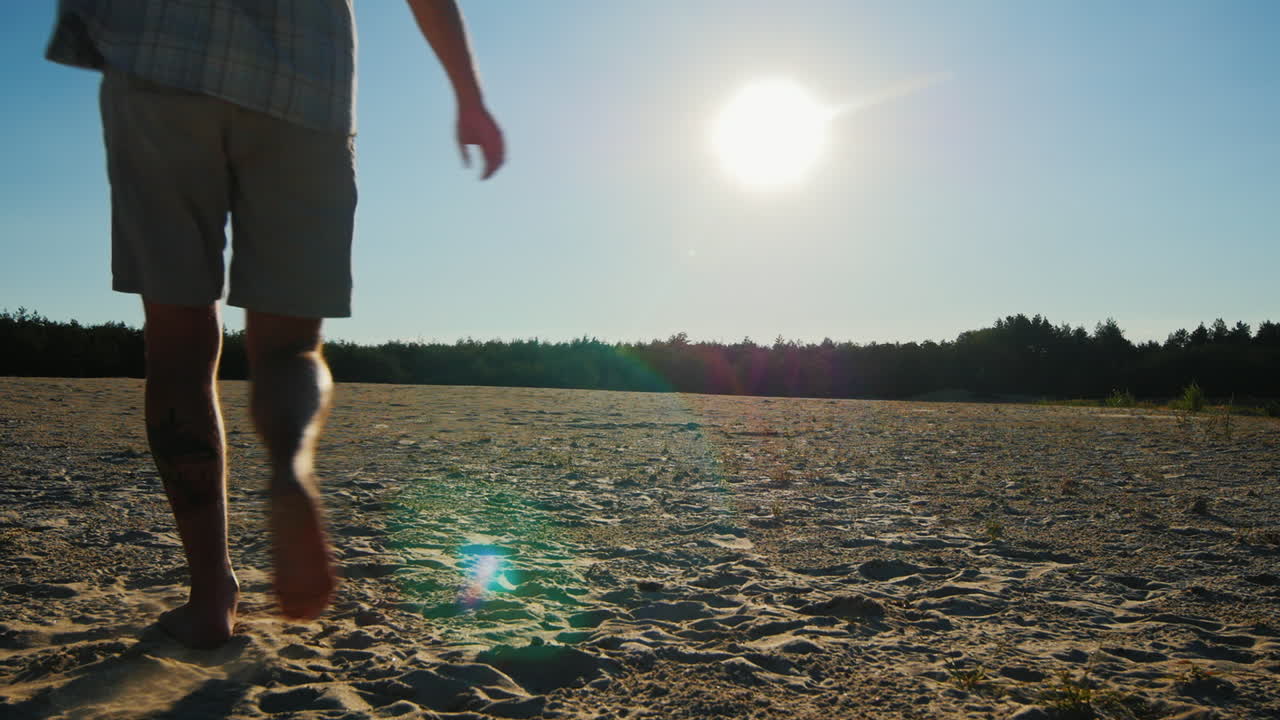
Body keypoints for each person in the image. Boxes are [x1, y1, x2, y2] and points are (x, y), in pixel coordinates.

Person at [46, 0, 505, 649]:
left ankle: (210, 596)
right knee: (291, 345)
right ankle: (290, 468)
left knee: (178, 345)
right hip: (306, 80)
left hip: (159, 58)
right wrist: (469, 96)